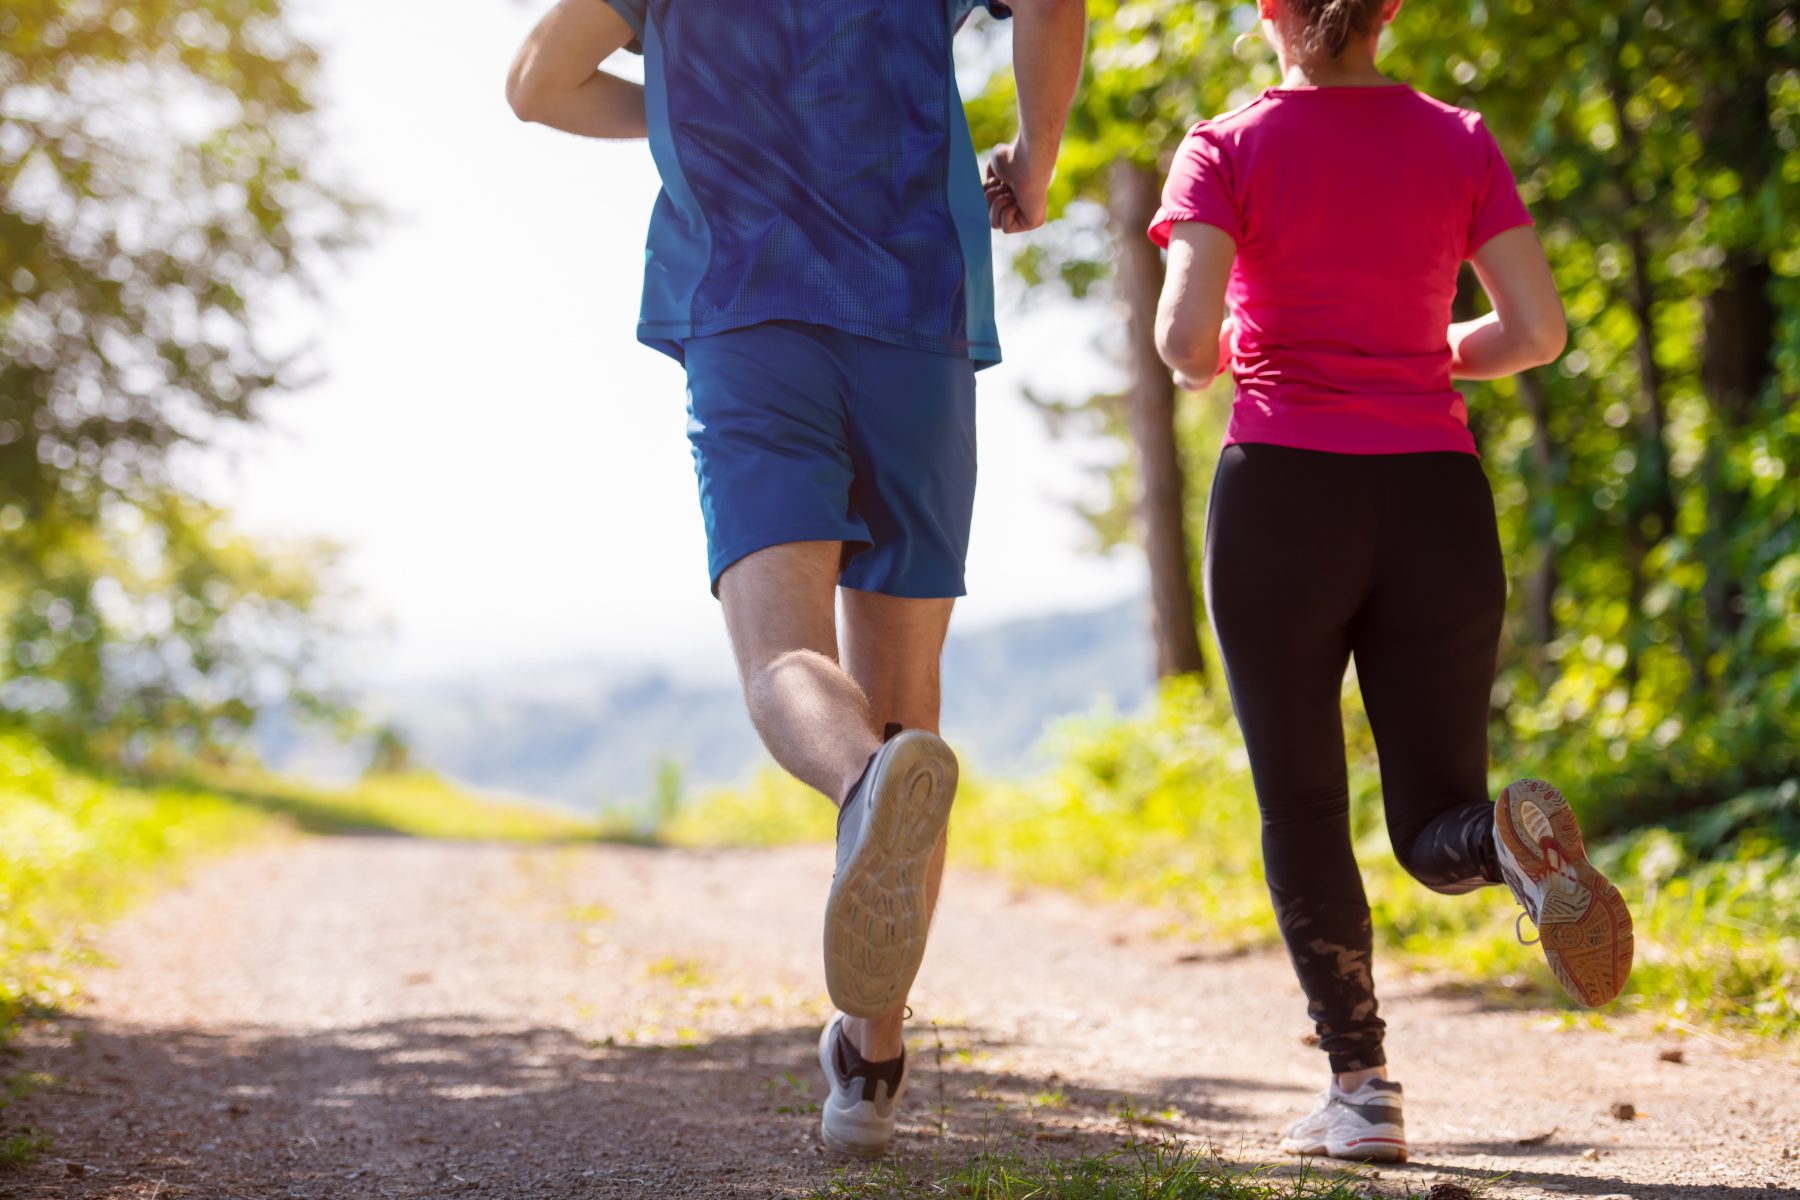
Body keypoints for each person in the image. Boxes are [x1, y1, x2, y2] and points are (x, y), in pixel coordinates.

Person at [505, 0, 1086, 1158]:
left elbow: (538, 83)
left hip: (749, 313)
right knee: (906, 686)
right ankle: (869, 1058)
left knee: (784, 656)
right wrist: (1036, 150)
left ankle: (865, 788)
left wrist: (676, 102)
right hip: (918, 318)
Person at [1149, 0, 1634, 1165]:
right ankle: (1506, 845)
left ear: (1269, 8)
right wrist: (1427, 352)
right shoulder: (1456, 137)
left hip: (1282, 500)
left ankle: (1362, 1090)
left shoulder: (1225, 145)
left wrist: (1239, 351)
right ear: (1390, 12)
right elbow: (1539, 331)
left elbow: (1182, 341)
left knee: (1305, 805)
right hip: (1435, 500)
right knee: (1430, 825)